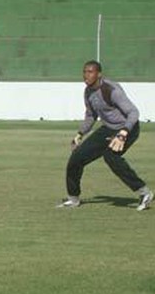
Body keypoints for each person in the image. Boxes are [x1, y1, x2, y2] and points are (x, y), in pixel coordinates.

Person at [58, 60, 153, 210]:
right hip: (108, 128)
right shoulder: (88, 91)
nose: (86, 75)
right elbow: (91, 116)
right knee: (76, 158)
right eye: (84, 72)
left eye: (90, 72)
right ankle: (73, 199)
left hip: (129, 127)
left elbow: (133, 113)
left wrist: (123, 133)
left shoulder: (110, 90)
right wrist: (80, 134)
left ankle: (144, 193)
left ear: (99, 74)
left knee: (111, 156)